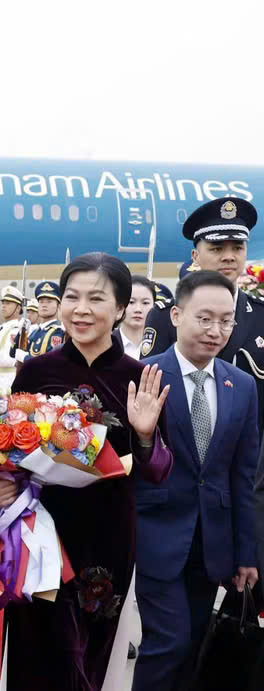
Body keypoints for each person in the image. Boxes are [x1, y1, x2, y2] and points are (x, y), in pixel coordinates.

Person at [0, 252, 173, 690]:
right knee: (37, 647)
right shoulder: (35, 370)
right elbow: (8, 451)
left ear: (122, 308)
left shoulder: (139, 377)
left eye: (96, 298)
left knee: (89, 653)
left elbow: (160, 471)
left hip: (106, 535)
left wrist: (144, 435)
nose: (80, 309)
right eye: (72, 297)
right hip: (38, 532)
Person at [132, 270, 260, 690]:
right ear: (176, 314)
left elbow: (243, 477)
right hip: (158, 535)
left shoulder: (240, 385)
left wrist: (247, 553)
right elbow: (127, 464)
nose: (216, 331)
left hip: (213, 544)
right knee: (168, 642)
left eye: (225, 321)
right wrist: (146, 438)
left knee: (193, 649)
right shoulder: (143, 375)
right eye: (204, 319)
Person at [143, 197, 264, 431]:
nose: (229, 256)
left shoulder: (260, 316)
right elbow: (149, 391)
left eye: (237, 247)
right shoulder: (165, 315)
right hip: (179, 456)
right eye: (217, 248)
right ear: (195, 257)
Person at [20, 281, 64, 363]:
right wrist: (21, 331)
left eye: (49, 301)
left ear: (58, 305)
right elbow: (12, 353)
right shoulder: (34, 332)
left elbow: (51, 361)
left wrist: (25, 358)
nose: (44, 305)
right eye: (41, 302)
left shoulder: (58, 331)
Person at [118, 276, 156, 360]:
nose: (138, 309)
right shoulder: (105, 344)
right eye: (131, 302)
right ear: (120, 306)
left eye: (145, 303)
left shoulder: (161, 346)